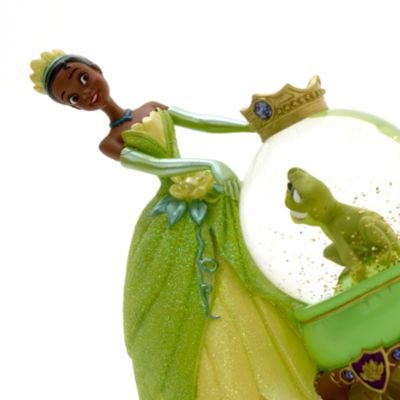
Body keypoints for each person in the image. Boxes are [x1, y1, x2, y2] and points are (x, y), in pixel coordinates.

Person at [30, 50, 319, 400]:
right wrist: (209, 164)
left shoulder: (151, 107)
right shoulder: (110, 143)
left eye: (82, 78)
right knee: (195, 289)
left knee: (249, 264)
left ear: (96, 69)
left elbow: (201, 121)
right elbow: (159, 167)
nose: (85, 92)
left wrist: (249, 126)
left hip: (214, 195)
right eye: (73, 98)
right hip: (172, 211)